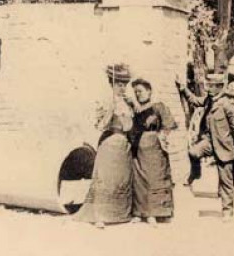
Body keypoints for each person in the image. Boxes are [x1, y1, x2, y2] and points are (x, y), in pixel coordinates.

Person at [76, 63, 135, 228]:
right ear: (112, 84)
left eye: (124, 85)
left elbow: (131, 125)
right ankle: (100, 216)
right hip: (109, 144)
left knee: (120, 179)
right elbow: (100, 125)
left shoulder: (128, 103)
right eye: (119, 85)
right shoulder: (106, 101)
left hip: (124, 146)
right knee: (105, 179)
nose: (122, 88)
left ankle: (120, 214)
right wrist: (110, 111)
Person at [181, 76, 234, 222]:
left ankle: (227, 210)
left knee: (225, 181)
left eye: (213, 86)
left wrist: (229, 142)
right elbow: (195, 101)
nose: (209, 88)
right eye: (208, 85)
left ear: (220, 87)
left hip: (224, 146)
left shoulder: (227, 105)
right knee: (193, 152)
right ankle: (196, 173)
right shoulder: (209, 100)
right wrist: (183, 89)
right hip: (208, 141)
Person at [128, 78, 177, 224]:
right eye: (136, 92)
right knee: (139, 180)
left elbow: (168, 125)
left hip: (154, 149)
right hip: (137, 148)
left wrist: (161, 137)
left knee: (153, 179)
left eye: (141, 91)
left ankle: (154, 213)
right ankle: (139, 212)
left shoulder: (158, 106)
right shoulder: (134, 108)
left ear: (149, 91)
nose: (138, 94)